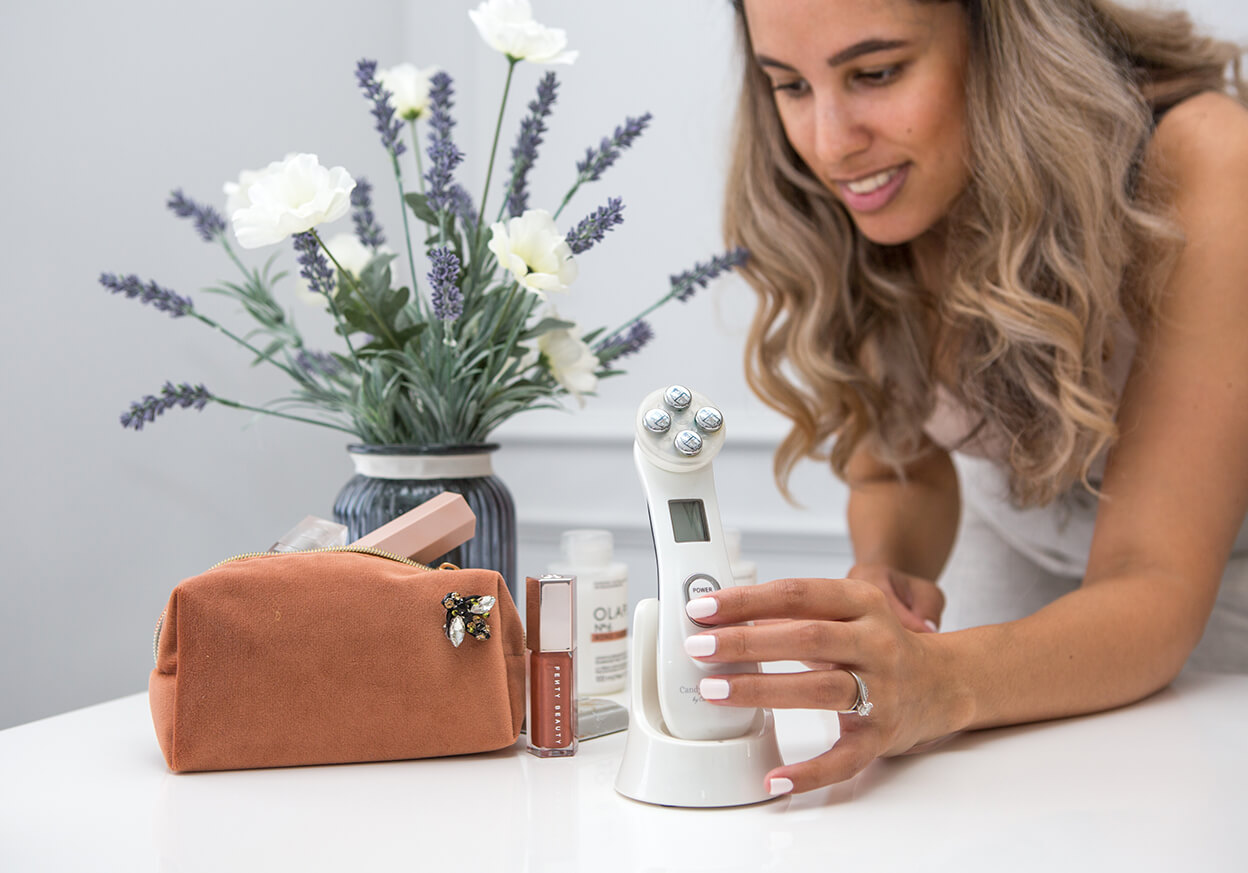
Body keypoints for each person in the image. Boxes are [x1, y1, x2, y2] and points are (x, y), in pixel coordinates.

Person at [689, 0, 1248, 796]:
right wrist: (887, 569)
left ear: (1003, 37)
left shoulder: (1205, 158)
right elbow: (896, 471)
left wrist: (941, 678)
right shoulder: (869, 190)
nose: (829, 143)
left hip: (1208, 580)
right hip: (1021, 537)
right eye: (789, 85)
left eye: (876, 73)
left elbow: (1152, 578)